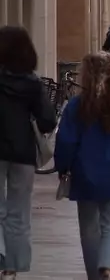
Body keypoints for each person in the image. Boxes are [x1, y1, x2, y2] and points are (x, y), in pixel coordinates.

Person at [54, 51, 110, 280]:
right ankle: (107, 265)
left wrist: (63, 167)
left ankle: (94, 275)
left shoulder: (77, 106)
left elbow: (66, 141)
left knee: (89, 230)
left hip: (85, 172)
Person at [0, 26, 57, 280]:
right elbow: (47, 121)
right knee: (19, 212)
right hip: (22, 152)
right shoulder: (33, 83)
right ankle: (13, 267)